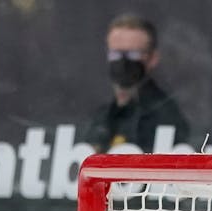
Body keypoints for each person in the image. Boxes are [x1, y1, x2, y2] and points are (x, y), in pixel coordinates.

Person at [81, 14, 191, 153]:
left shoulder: (165, 116)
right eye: (115, 54)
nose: (122, 62)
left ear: (153, 58)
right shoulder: (102, 117)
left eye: (133, 54)